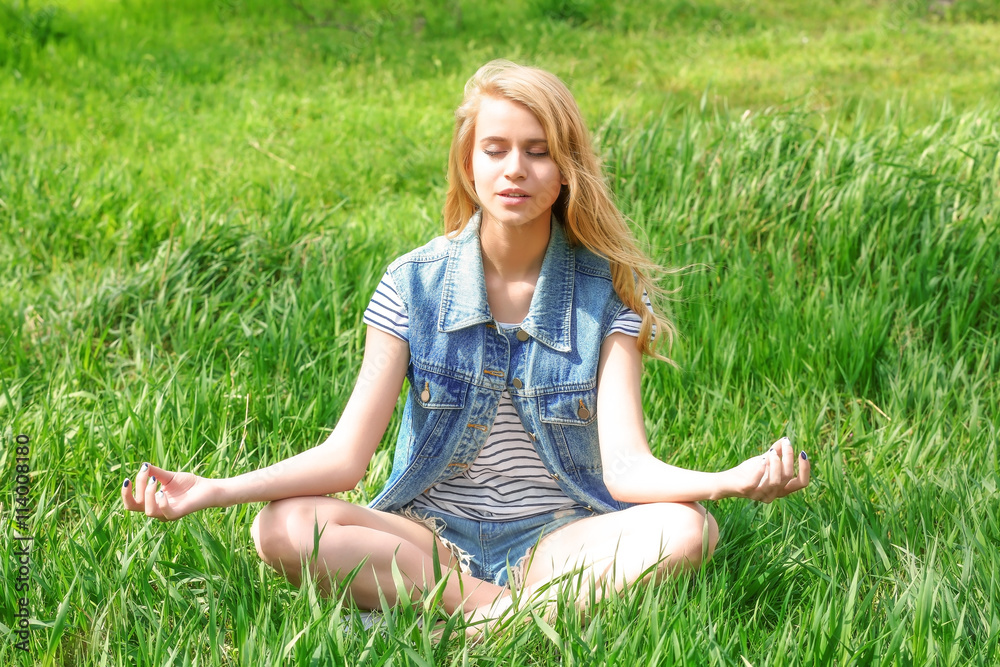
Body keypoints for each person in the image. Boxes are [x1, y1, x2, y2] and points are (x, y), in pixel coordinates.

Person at [121, 59, 810, 628]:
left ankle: (462, 617)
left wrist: (728, 481)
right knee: (279, 529)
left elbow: (627, 468)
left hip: (558, 539)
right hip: (428, 538)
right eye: (496, 149)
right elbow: (345, 458)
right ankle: (509, 615)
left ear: (567, 168)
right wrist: (217, 489)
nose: (516, 169)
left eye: (538, 151)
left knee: (690, 531)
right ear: (468, 161)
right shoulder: (412, 284)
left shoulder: (609, 293)